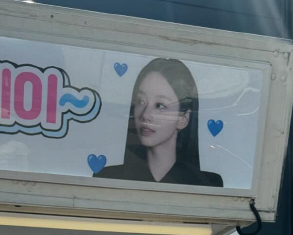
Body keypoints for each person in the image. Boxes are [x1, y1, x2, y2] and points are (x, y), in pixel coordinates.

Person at [94, 57, 223, 187]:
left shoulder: (207, 184)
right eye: (141, 101)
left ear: (183, 119)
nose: (145, 115)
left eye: (160, 105)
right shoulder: (108, 178)